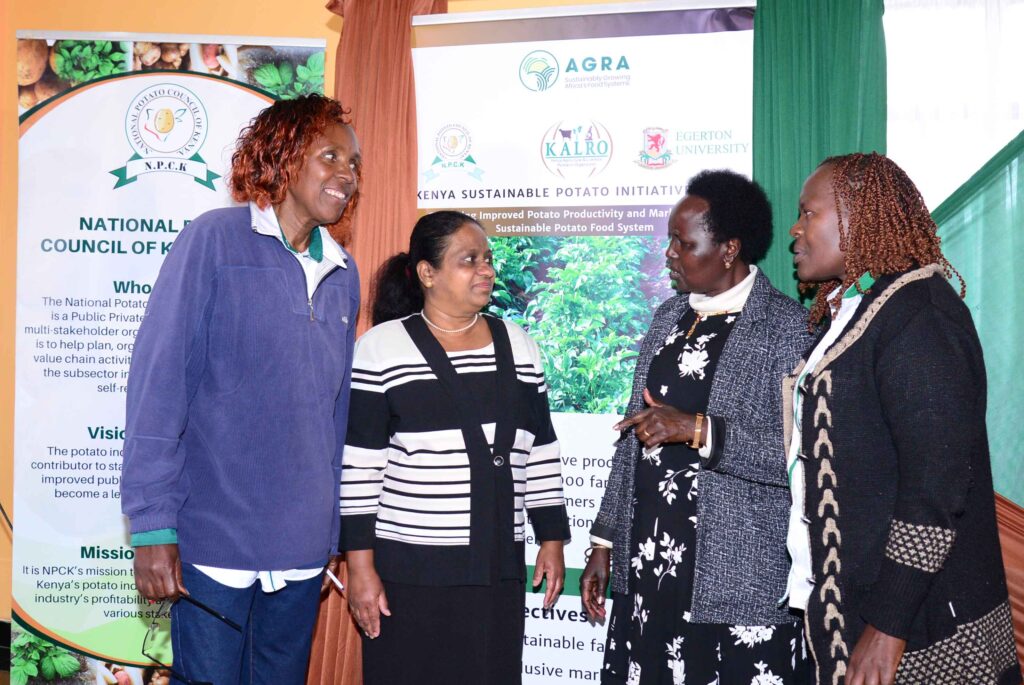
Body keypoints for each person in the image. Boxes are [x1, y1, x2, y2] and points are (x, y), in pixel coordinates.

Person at [120, 94, 362, 683]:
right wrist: (152, 528)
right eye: (329, 155)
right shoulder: (214, 241)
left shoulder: (344, 272)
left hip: (302, 549)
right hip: (213, 540)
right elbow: (159, 386)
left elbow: (336, 417)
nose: (346, 175)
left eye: (353, 163)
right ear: (281, 156)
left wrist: (331, 530)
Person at [786, 152, 1022, 685]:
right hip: (860, 611)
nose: (795, 231)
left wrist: (887, 625)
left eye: (809, 213)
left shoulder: (919, 316)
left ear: (859, 215)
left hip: (923, 627)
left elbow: (936, 486)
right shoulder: (863, 306)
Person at [581, 170, 814, 684]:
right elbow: (631, 438)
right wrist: (605, 542)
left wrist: (701, 429)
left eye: (684, 244)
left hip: (736, 578)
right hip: (649, 567)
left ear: (729, 249)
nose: (669, 253)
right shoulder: (665, 318)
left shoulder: (786, 327)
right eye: (670, 241)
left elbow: (801, 458)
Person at [339, 210, 570, 685]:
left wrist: (551, 538)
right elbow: (360, 468)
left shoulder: (520, 346)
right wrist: (360, 569)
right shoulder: (380, 349)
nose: (486, 270)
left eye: (487, 259)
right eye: (469, 260)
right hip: (408, 573)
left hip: (495, 570)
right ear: (428, 273)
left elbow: (541, 448)